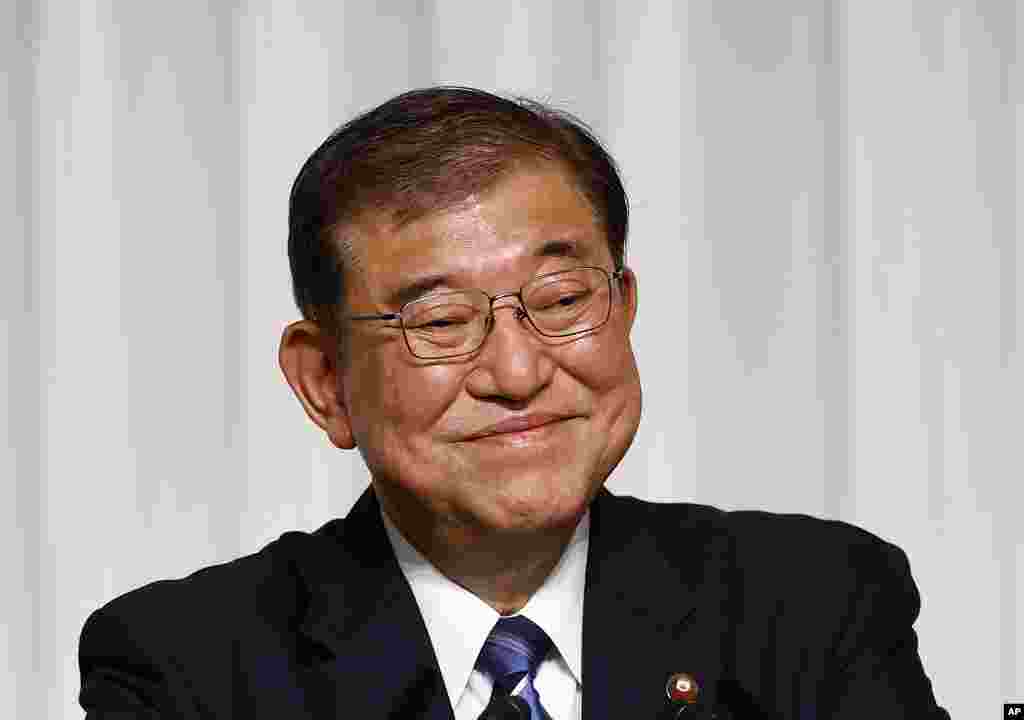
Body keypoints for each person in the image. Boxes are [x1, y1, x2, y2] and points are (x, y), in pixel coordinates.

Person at [78, 86, 949, 720]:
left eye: (564, 299)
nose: (520, 369)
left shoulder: (814, 607)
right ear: (325, 381)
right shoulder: (184, 671)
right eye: (442, 318)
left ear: (624, 310)